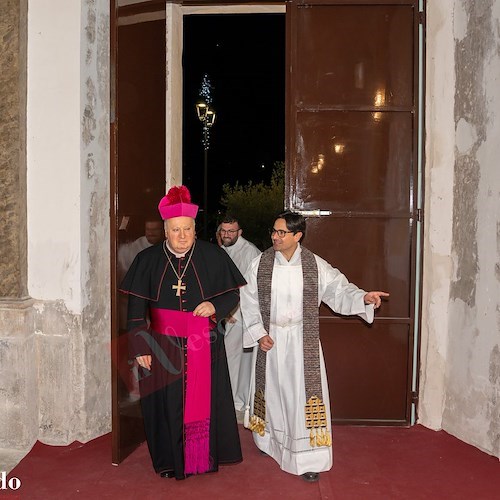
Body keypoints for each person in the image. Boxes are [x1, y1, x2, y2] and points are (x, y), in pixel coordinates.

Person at [240, 211, 389, 483]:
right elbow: (248, 300)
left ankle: (308, 458)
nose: (275, 236)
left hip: (300, 340)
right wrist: (259, 333)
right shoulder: (259, 264)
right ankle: (269, 443)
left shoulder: (314, 265)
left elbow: (338, 290)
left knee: (300, 395)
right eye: (273, 231)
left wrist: (363, 297)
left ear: (298, 235)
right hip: (271, 340)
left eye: (281, 232)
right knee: (272, 391)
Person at [119, 185, 246, 480]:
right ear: (166, 230)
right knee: (167, 405)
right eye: (175, 230)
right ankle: (170, 461)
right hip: (162, 344)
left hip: (204, 342)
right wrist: (139, 348)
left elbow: (232, 296)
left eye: (187, 229)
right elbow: (136, 308)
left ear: (194, 228)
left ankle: (203, 458)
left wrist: (214, 306)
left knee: (205, 402)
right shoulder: (147, 260)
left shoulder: (212, 256)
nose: (182, 236)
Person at [217, 216, 261, 417]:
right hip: (228, 312)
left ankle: (238, 401)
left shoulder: (249, 251)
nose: (226, 234)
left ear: (239, 232)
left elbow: (248, 287)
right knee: (234, 357)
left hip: (242, 313)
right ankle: (236, 400)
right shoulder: (223, 248)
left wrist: (233, 310)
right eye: (224, 231)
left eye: (231, 231)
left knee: (237, 358)